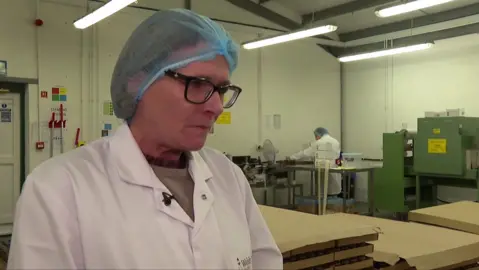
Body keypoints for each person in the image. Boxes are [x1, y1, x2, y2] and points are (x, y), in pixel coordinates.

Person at [7, 9, 282, 270]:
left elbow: (264, 261)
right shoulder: (58, 189)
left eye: (222, 90)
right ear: (139, 82)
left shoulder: (228, 177)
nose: (217, 107)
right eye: (198, 84)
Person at [289, 127, 342, 195]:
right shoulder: (336, 141)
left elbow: (305, 153)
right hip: (335, 170)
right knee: (333, 194)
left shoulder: (319, 142)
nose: (315, 138)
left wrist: (292, 157)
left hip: (323, 169)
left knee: (323, 194)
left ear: (318, 135)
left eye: (315, 136)